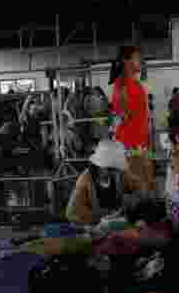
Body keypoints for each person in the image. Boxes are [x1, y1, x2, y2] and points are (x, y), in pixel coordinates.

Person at [66, 139, 148, 225]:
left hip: (119, 222)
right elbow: (71, 213)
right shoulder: (85, 180)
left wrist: (133, 199)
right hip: (95, 226)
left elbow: (141, 188)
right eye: (109, 169)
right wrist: (100, 218)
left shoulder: (120, 174)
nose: (113, 173)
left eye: (115, 169)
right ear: (98, 165)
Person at [110, 45, 153, 191]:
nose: (140, 60)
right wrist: (133, 150)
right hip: (131, 146)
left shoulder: (135, 85)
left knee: (145, 187)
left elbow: (139, 117)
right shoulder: (122, 86)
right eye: (136, 58)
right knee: (138, 190)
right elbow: (121, 119)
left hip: (139, 144)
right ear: (126, 61)